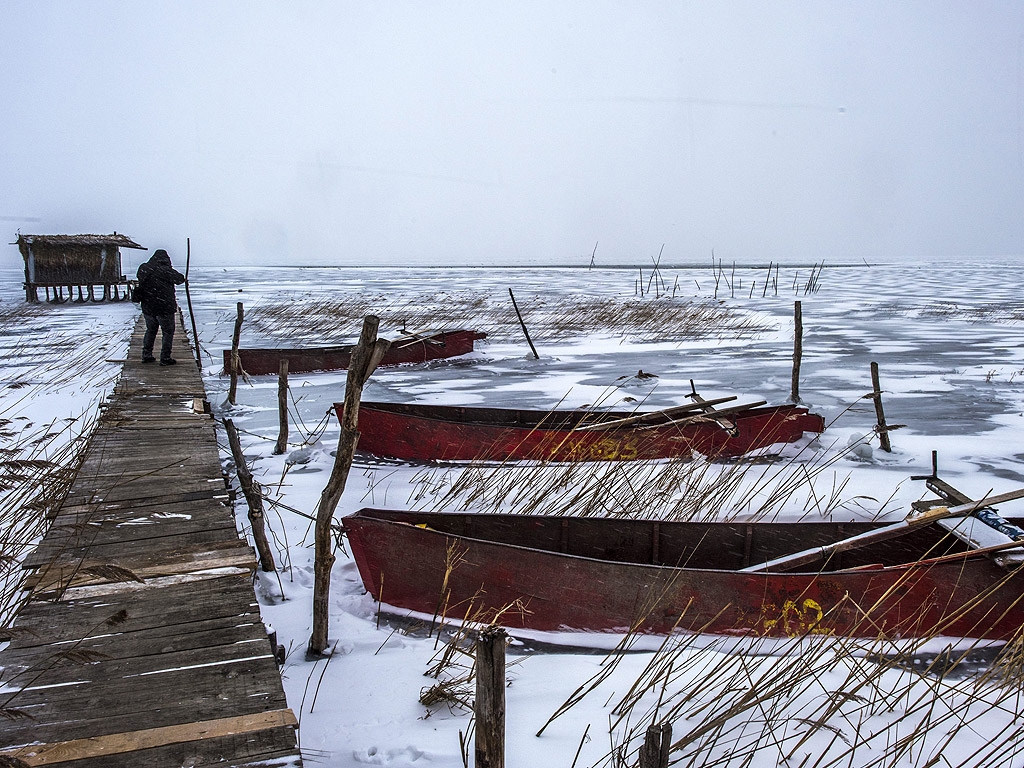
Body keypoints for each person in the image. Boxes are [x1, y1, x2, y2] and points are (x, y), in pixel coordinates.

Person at [136, 249, 185, 365]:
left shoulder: (144, 268)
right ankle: (165, 357)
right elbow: (180, 279)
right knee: (168, 332)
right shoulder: (166, 271)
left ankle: (146, 355)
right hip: (164, 307)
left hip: (148, 307)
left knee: (151, 330)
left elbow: (139, 276)